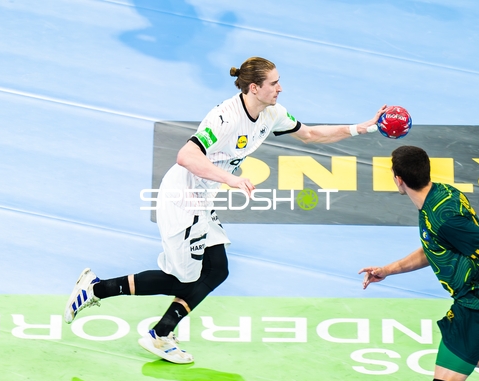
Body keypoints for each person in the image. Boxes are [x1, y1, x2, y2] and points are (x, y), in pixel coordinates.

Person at [64, 56, 387, 364]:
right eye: (274, 83)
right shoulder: (225, 118)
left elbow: (311, 134)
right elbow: (186, 156)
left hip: (203, 198)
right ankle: (96, 289)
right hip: (183, 197)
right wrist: (230, 179)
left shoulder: (272, 113)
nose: (280, 88)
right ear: (254, 88)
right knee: (184, 280)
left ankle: (160, 334)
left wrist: (362, 128)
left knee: (217, 270)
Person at [359, 145, 479, 381]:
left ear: (398, 179)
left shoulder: (443, 218)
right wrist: (388, 270)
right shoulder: (442, 194)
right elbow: (433, 246)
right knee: (473, 350)